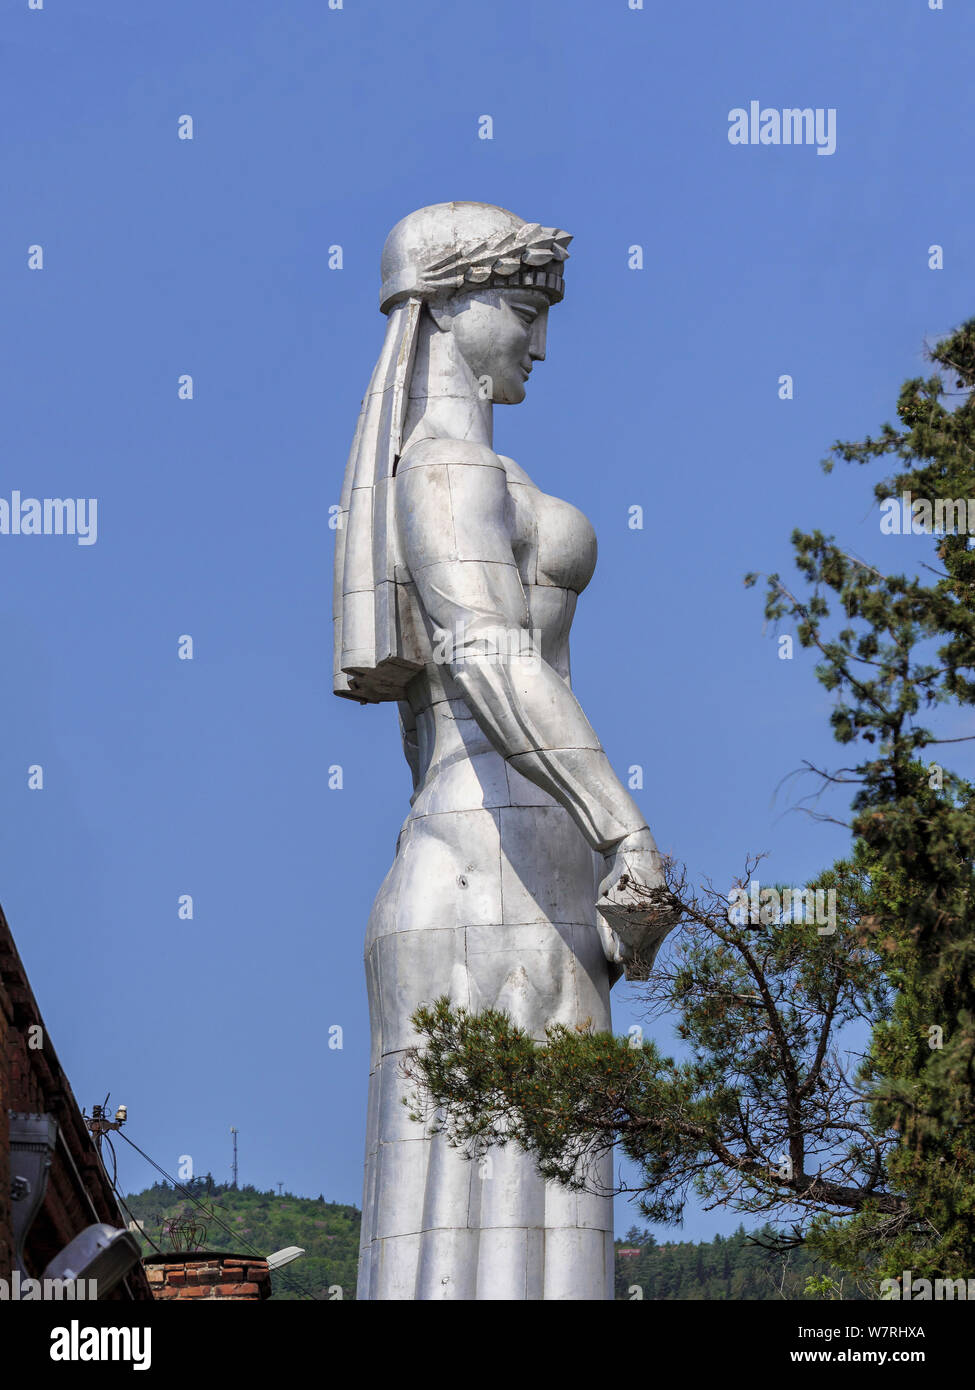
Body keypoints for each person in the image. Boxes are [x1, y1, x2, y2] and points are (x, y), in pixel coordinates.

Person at [333, 202, 671, 1300]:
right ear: (448, 306)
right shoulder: (440, 476)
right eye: (523, 309)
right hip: (480, 880)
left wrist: (607, 865)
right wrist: (626, 826)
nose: (540, 341)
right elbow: (485, 655)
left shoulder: (489, 475)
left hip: (540, 884)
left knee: (553, 1245)